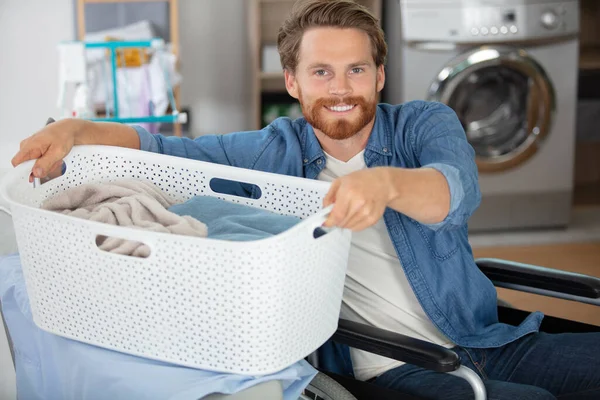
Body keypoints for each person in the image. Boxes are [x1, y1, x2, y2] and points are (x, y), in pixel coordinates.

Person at [11, 0, 600, 398]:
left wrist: (385, 185)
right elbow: (165, 149)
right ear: (292, 82)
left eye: (355, 70)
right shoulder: (274, 149)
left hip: (487, 336)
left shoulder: (424, 123)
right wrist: (77, 130)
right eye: (321, 72)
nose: (340, 89)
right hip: (394, 364)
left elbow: (455, 190)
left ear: (379, 75)